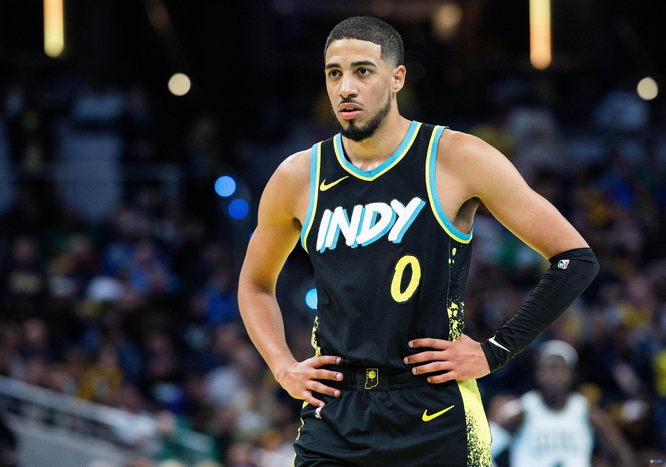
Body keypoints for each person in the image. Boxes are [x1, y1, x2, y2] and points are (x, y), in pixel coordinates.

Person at [237, 16, 599, 467]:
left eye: (363, 71)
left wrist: (495, 350)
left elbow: (575, 259)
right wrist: (282, 366)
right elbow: (254, 284)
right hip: (336, 413)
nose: (346, 87)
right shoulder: (297, 176)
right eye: (334, 73)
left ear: (397, 78)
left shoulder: (456, 156)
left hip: (436, 410)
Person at [490, 340, 636, 467]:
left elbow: (624, 455)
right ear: (538, 373)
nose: (555, 375)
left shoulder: (587, 412)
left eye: (560, 369)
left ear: (572, 374)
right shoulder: (521, 410)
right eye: (549, 368)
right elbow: (481, 448)